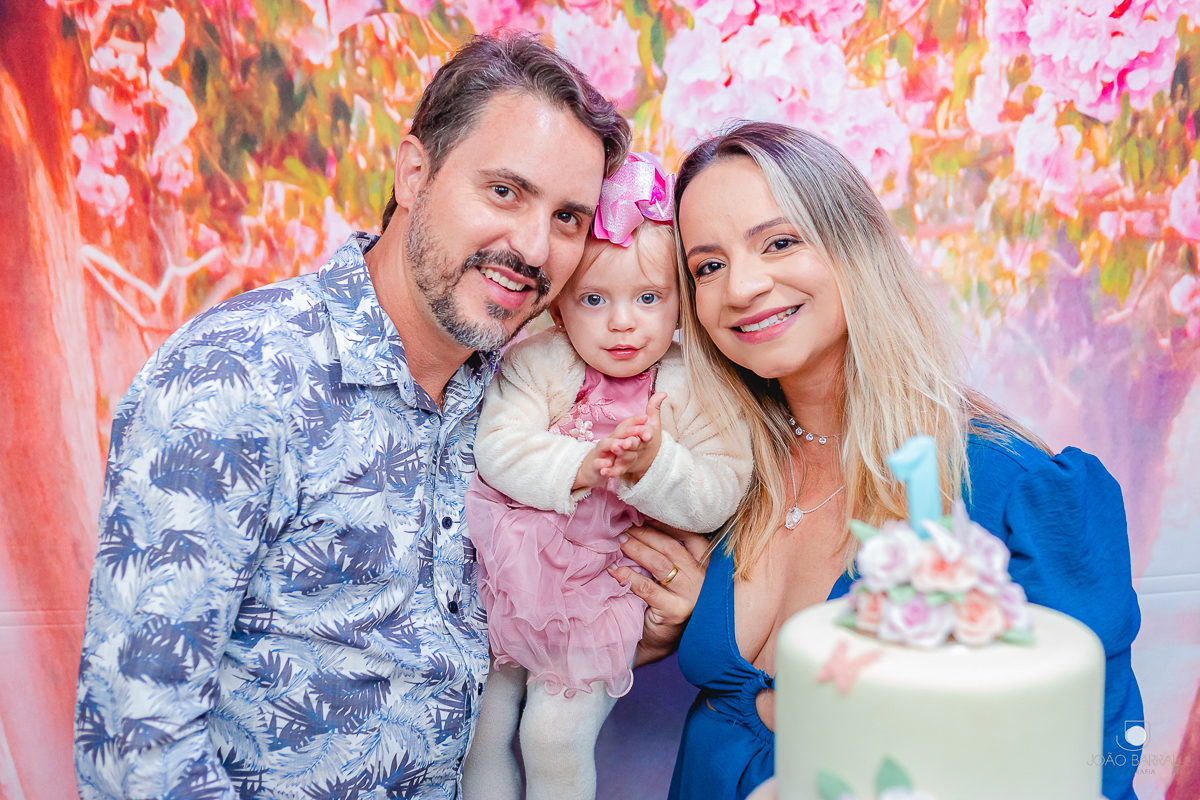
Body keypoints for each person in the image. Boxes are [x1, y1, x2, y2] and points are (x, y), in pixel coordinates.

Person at [72, 32, 631, 799]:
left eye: (567, 218)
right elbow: (137, 752)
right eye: (505, 192)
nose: (534, 247)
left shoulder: (513, 401)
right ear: (414, 173)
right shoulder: (239, 376)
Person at [623, 122, 1143, 800]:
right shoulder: (721, 471)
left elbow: (1092, 761)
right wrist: (682, 621)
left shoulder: (1010, 488)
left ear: (855, 245)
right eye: (708, 267)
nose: (741, 287)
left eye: (779, 242)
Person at [459, 153, 753, 800]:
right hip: (514, 571)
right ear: (559, 309)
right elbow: (498, 447)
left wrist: (655, 466)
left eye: (648, 298)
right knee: (481, 722)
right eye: (594, 300)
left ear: (681, 305)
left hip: (604, 592)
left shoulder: (697, 385)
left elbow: (722, 488)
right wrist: (580, 464)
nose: (623, 322)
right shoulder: (538, 361)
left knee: (553, 737)